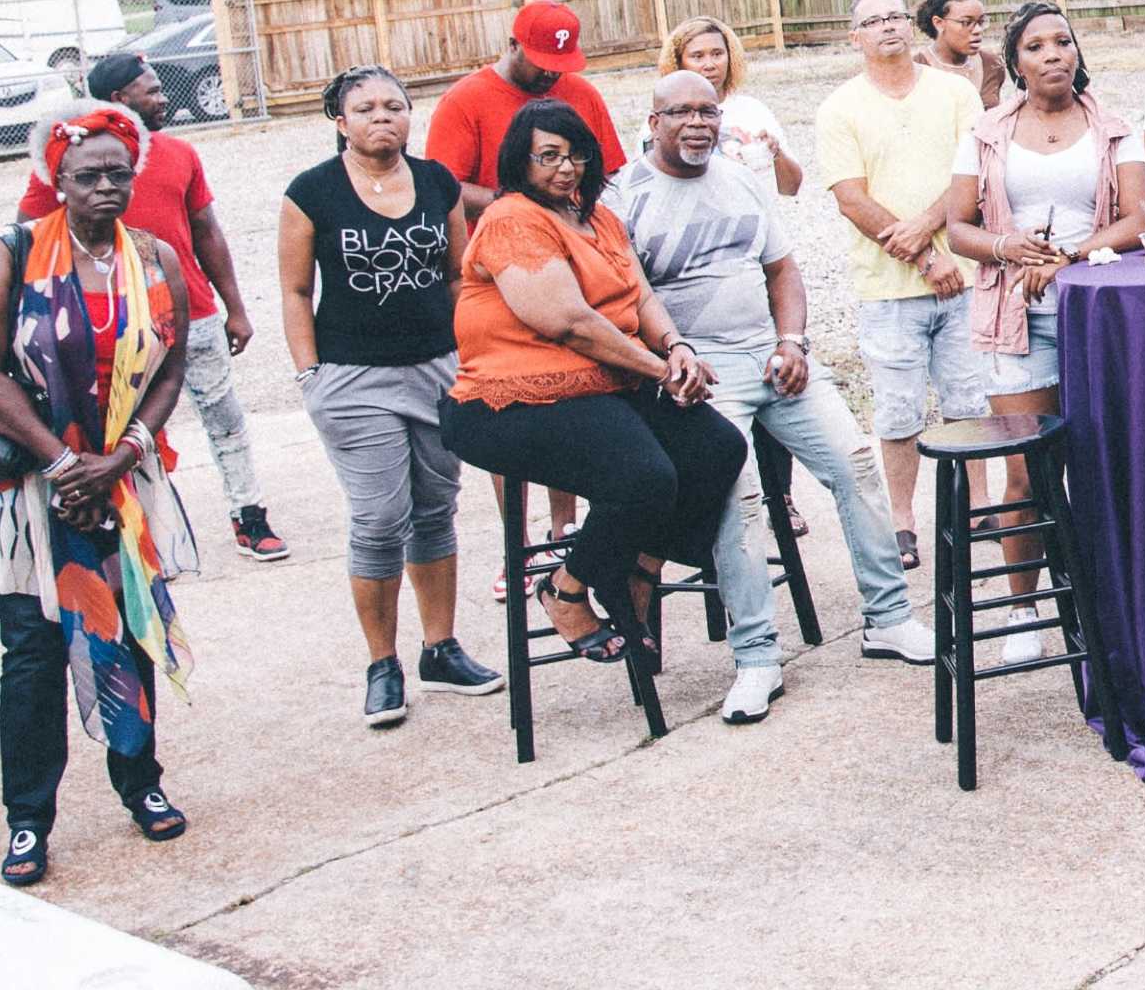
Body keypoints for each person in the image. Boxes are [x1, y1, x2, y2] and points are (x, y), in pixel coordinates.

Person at [615, 70, 924, 722]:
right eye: (681, 113)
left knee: (857, 462)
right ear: (653, 122)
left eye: (709, 110)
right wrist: (675, 357)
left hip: (772, 353)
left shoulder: (739, 178)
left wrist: (792, 340)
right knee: (743, 498)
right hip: (699, 367)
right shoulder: (626, 194)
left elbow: (782, 268)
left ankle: (889, 617)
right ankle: (756, 656)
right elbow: (628, 297)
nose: (699, 123)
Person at [0, 108, 198, 884]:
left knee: (128, 630)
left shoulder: (156, 257)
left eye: (117, 173)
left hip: (121, 485)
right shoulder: (13, 252)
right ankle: (28, 819)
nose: (104, 187)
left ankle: (141, 781)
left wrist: (120, 456)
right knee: (31, 654)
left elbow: (170, 370)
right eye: (87, 175)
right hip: (32, 490)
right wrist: (65, 462)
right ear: (54, 180)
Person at [438, 99, 744, 670]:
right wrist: (659, 371)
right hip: (512, 398)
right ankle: (567, 587)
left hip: (604, 385)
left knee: (716, 447)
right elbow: (567, 322)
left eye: (576, 154)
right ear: (519, 163)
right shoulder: (512, 220)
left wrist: (676, 349)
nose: (565, 167)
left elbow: (641, 296)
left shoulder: (600, 218)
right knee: (645, 476)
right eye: (548, 156)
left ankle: (639, 568)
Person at [278, 67, 501, 728]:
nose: (384, 116)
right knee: (379, 518)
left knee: (435, 508)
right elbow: (294, 291)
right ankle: (383, 663)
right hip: (352, 377)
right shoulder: (311, 192)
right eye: (365, 107)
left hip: (436, 368)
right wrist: (309, 374)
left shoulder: (437, 182)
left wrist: (471, 357)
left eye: (396, 106)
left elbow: (460, 278)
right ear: (340, 121)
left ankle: (441, 647)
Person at [939, 5, 1145, 655]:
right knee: (1027, 473)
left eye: (1063, 41)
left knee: (1100, 464)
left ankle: (1109, 599)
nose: (1053, 53)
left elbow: (1139, 215)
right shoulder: (985, 131)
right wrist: (1011, 248)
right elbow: (958, 227)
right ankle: (1022, 607)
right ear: (1018, 60)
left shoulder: (1112, 128)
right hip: (1014, 319)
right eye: (1036, 45)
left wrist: (1072, 254)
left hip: (1094, 315)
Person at [20, 52, 285, 564]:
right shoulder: (65, 163)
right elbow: (29, 242)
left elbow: (207, 231)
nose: (164, 98)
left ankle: (248, 512)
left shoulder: (180, 153)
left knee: (222, 412)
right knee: (121, 426)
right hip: (109, 320)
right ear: (120, 99)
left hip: (191, 312)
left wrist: (235, 306)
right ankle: (136, 523)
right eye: (153, 89)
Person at [820, 0, 984, 575]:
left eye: (895, 16)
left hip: (963, 277)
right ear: (854, 37)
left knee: (969, 400)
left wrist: (930, 234)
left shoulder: (956, 93)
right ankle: (902, 521)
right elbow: (850, 197)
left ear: (912, 27)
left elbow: (974, 175)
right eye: (873, 20)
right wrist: (920, 255)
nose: (887, 26)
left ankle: (978, 507)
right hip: (888, 288)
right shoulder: (841, 108)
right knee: (896, 411)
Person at [423, 0, 626, 191]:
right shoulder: (462, 101)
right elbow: (443, 187)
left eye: (560, 65)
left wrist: (576, 210)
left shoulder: (583, 93)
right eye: (542, 63)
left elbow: (609, 171)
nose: (551, 73)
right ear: (513, 45)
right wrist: (522, 210)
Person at [661, 16, 803, 196]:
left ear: (730, 58)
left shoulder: (752, 111)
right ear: (678, 62)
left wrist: (777, 153)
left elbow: (790, 189)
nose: (709, 65)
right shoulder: (663, 120)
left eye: (717, 54)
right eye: (697, 56)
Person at [918, 0, 1005, 110]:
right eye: (966, 22)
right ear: (939, 23)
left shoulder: (992, 65)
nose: (977, 30)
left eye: (981, 22)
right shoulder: (917, 68)